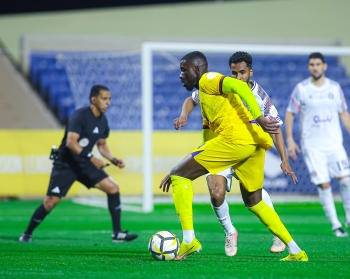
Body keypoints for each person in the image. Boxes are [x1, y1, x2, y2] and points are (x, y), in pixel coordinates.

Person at [160, 51, 308, 261]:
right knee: (254, 202)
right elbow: (192, 104)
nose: (180, 75)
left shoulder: (208, 80)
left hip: (235, 140)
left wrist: (178, 171)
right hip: (253, 143)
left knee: (180, 176)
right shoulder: (203, 94)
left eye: (184, 70)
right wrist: (184, 118)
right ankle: (296, 251)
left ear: (198, 69)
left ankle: (189, 241)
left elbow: (239, 86)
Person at [19, 85, 138, 243]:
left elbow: (101, 145)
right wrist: (91, 157)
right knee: (50, 203)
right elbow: (71, 143)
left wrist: (113, 159)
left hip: (85, 164)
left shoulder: (103, 121)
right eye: (104, 99)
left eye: (109, 99)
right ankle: (27, 233)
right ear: (93, 100)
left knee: (113, 187)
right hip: (66, 164)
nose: (108, 102)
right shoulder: (80, 116)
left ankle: (117, 233)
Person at [285, 52, 350, 237]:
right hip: (312, 146)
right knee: (324, 185)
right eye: (312, 64)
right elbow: (290, 114)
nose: (315, 67)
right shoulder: (301, 89)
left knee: (346, 179)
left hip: (334, 144)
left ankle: (349, 217)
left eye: (318, 64)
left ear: (324, 66)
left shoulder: (335, 88)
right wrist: (290, 140)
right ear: (308, 67)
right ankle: (336, 225)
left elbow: (344, 113)